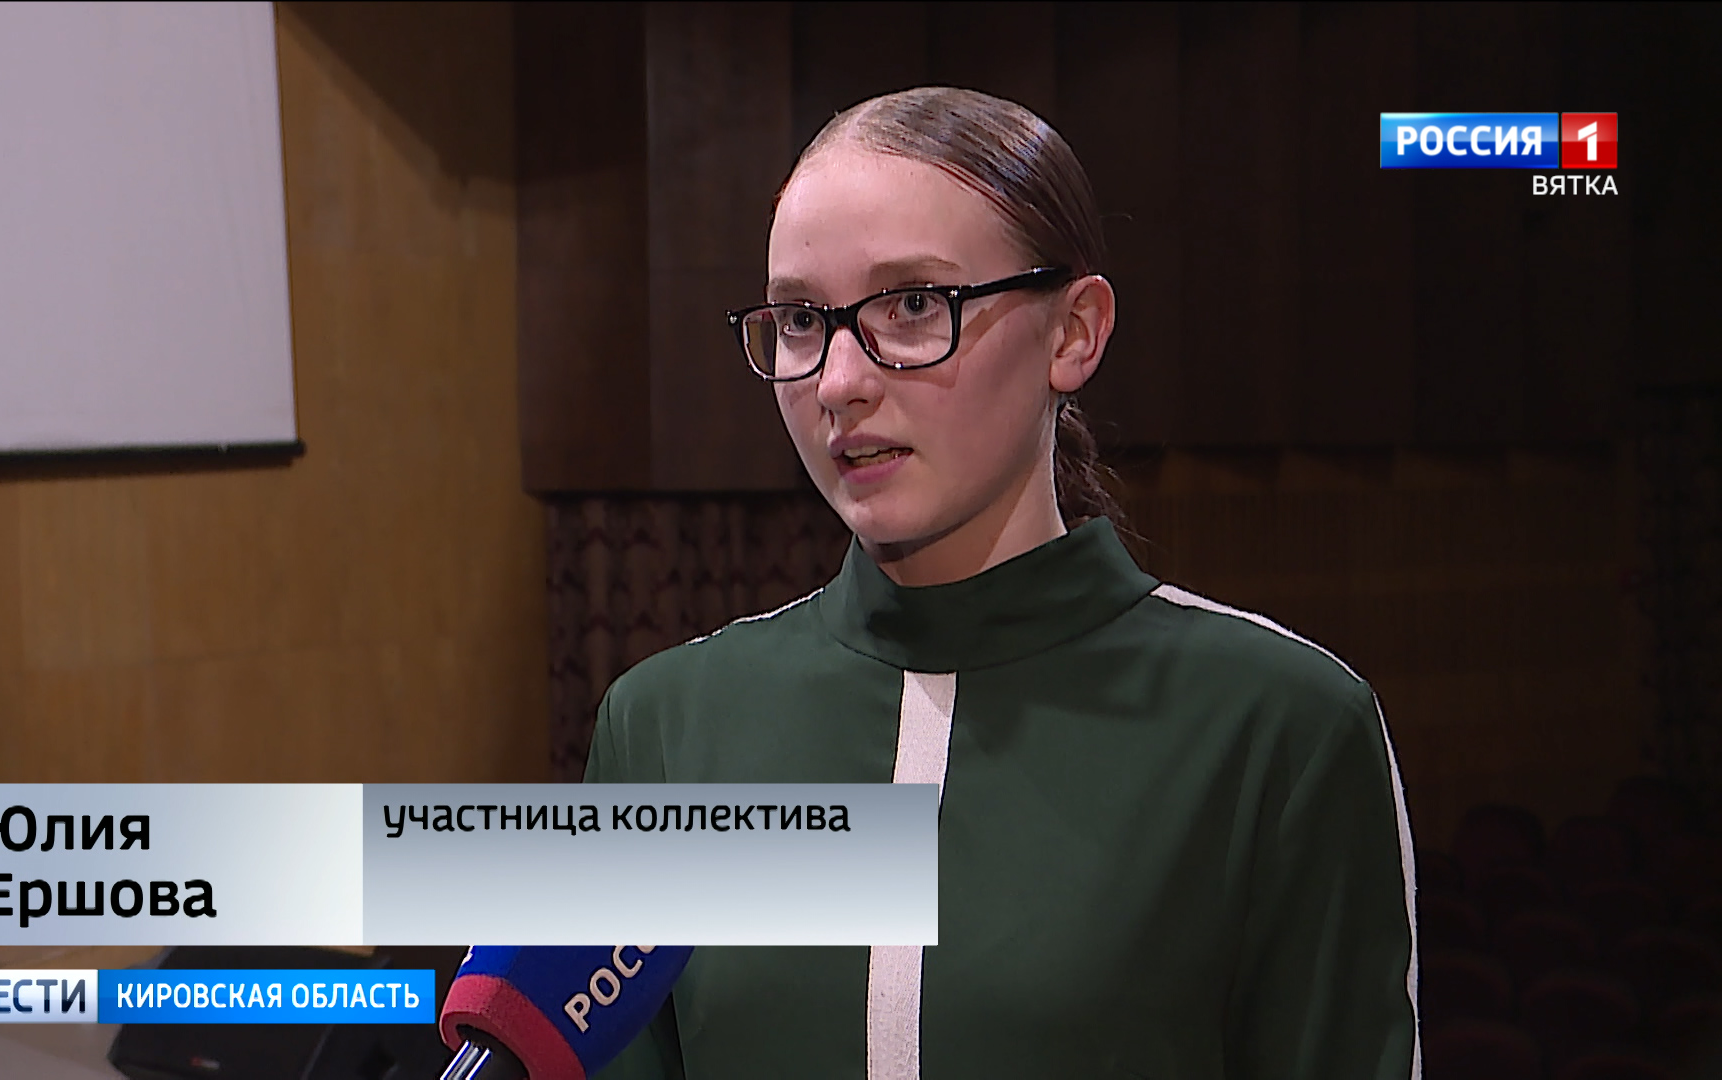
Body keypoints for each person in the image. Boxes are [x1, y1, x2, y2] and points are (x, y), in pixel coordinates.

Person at [584, 86, 1418, 1080]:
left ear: (1074, 333)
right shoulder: (665, 727)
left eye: (912, 305)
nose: (839, 382)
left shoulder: (1280, 725)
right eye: (803, 319)